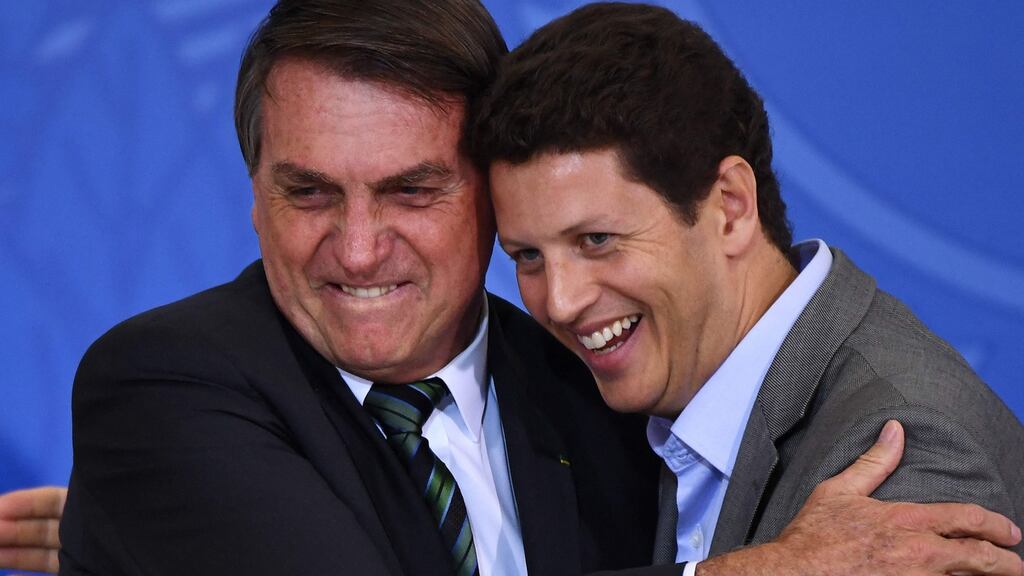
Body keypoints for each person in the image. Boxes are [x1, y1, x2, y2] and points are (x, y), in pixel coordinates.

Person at [4, 1, 1020, 575]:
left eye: (411, 190)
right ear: (255, 195)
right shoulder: (164, 384)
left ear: (481, 200)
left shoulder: (608, 391)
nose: (356, 251)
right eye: (308, 192)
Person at [470, 2, 1024, 574]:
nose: (559, 301)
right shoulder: (646, 404)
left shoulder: (902, 450)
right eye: (528, 255)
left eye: (597, 239)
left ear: (731, 208)